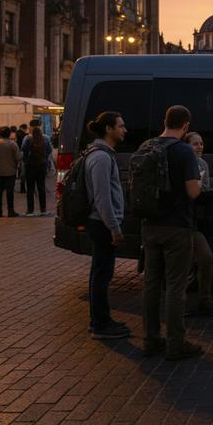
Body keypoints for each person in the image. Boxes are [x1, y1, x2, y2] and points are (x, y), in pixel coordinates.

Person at [141, 105, 203, 360]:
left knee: (151, 284)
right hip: (177, 226)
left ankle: (151, 339)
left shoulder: (146, 146)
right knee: (176, 287)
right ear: (185, 125)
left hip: (149, 224)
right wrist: (198, 179)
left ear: (164, 121)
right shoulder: (183, 151)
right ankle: (176, 343)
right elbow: (193, 192)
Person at [84, 111, 131, 340]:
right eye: (121, 126)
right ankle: (101, 324)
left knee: (99, 274)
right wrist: (114, 228)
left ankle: (99, 321)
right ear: (109, 129)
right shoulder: (101, 158)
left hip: (99, 222)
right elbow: (102, 198)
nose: (125, 130)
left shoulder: (101, 154)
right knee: (102, 275)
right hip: (101, 224)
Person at [183, 131, 213, 317]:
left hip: (195, 220)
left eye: (201, 143)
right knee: (187, 264)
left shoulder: (203, 164)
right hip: (182, 220)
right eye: (195, 144)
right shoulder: (182, 164)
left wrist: (212, 193)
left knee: (205, 260)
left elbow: (202, 194)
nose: (200, 146)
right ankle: (181, 305)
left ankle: (204, 301)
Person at [21, 123, 53, 216]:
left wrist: (26, 160)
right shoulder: (46, 138)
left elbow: (24, 151)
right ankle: (43, 210)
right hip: (42, 165)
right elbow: (49, 151)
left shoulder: (27, 138)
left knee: (30, 189)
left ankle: (30, 210)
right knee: (41, 188)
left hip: (30, 166)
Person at [0, 126, 21, 217]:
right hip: (10, 171)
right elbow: (18, 157)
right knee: (9, 192)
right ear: (9, 133)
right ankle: (10, 211)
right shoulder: (12, 144)